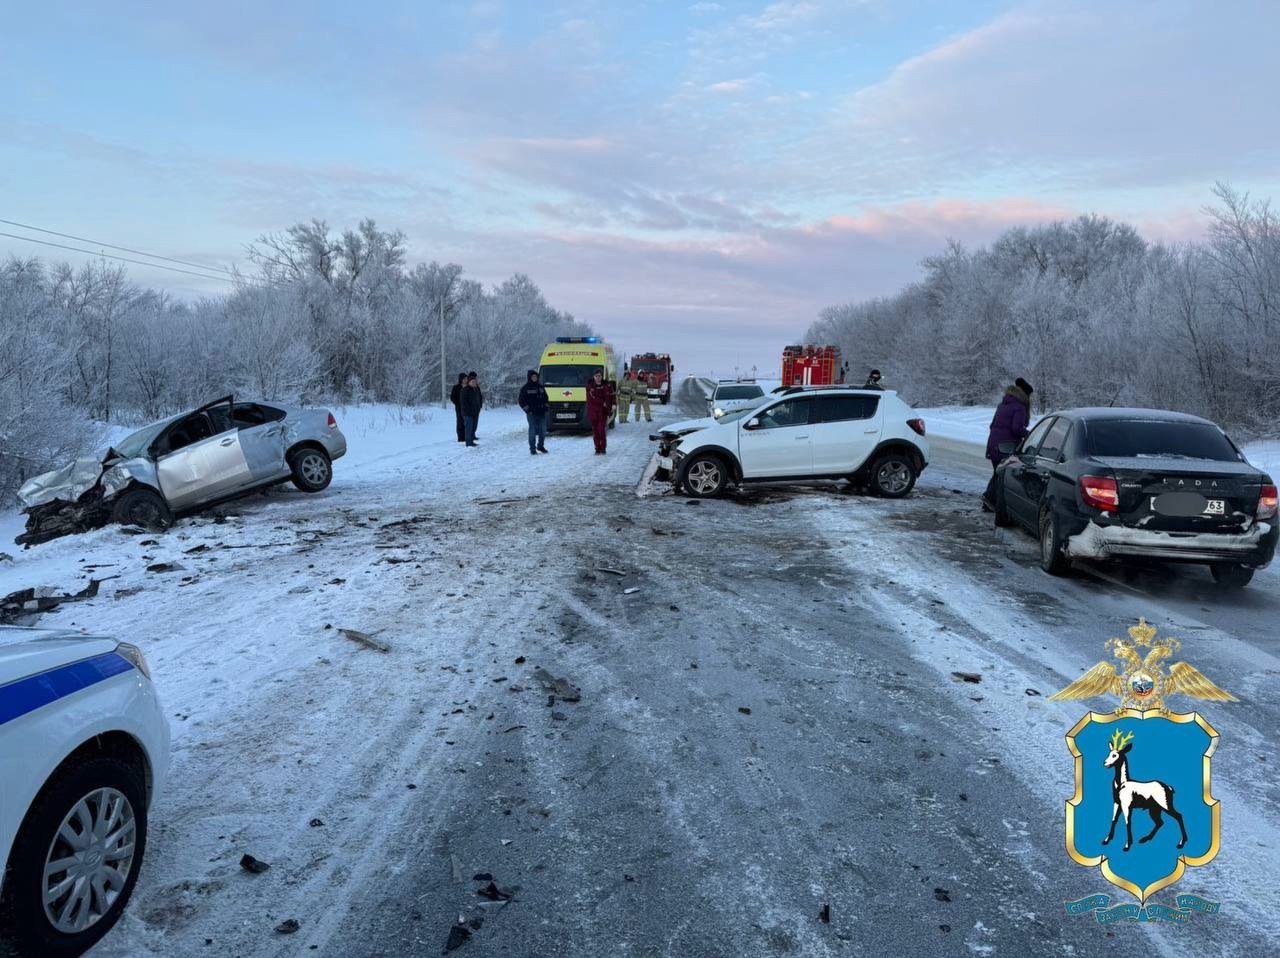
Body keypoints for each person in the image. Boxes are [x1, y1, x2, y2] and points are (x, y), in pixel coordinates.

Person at [983, 377, 1034, 509]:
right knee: (1002, 475)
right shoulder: (1019, 407)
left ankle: (989, 501)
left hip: (994, 444)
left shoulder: (1003, 404)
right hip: (1005, 447)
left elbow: (992, 425)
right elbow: (1016, 428)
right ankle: (991, 499)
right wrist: (1030, 435)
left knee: (998, 472)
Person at [518, 369, 550, 454]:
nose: (535, 378)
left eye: (536, 376)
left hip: (542, 413)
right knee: (532, 431)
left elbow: (546, 398)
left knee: (543, 431)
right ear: (530, 377)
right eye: (533, 377)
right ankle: (532, 448)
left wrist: (546, 407)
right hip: (531, 414)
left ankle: (540, 446)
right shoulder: (525, 388)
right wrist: (528, 410)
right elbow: (521, 401)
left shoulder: (541, 387)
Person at [585, 370, 615, 454]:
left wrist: (613, 404)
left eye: (599, 376)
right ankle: (597, 448)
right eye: (596, 376)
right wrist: (603, 403)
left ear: (602, 376)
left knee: (601, 429)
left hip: (603, 412)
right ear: (593, 377)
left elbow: (612, 395)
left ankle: (603, 448)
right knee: (595, 431)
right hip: (593, 412)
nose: (598, 378)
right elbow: (592, 398)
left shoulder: (607, 385)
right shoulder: (590, 386)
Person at [460, 374, 483, 447]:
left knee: (474, 427)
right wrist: (468, 410)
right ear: (469, 382)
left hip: (476, 412)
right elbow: (463, 402)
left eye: (475, 381)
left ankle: (471, 440)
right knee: (468, 428)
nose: (474, 383)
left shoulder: (476, 389)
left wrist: (479, 407)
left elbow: (479, 398)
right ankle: (468, 442)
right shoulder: (465, 390)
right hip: (468, 413)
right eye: (472, 382)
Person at [449, 373, 466, 442]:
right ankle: (460, 437)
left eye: (466, 379)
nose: (465, 380)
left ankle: (466, 436)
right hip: (459, 407)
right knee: (460, 421)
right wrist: (457, 403)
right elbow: (452, 397)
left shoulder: (468, 386)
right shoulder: (456, 387)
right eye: (464, 379)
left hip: (467, 407)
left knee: (466, 422)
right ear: (461, 379)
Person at [468, 370, 484, 438]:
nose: (476, 379)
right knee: (471, 423)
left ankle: (473, 434)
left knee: (475, 423)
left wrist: (480, 405)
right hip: (471, 408)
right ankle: (470, 436)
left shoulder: (477, 387)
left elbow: (480, 396)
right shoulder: (468, 387)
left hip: (477, 407)